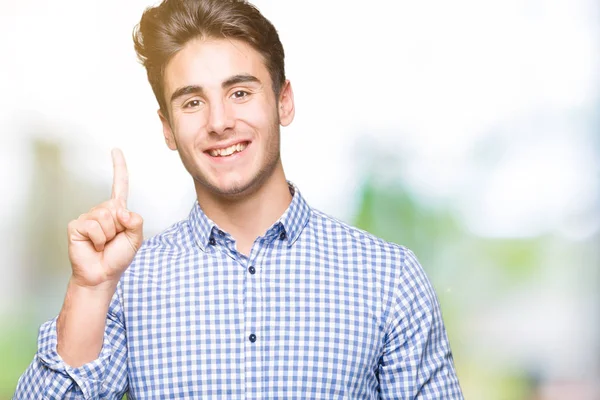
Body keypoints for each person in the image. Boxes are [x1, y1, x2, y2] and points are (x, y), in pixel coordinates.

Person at [14, 0, 463, 398]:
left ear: (284, 102)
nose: (219, 122)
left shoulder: (388, 278)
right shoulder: (124, 288)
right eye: (192, 103)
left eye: (240, 93)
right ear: (168, 128)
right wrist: (89, 291)